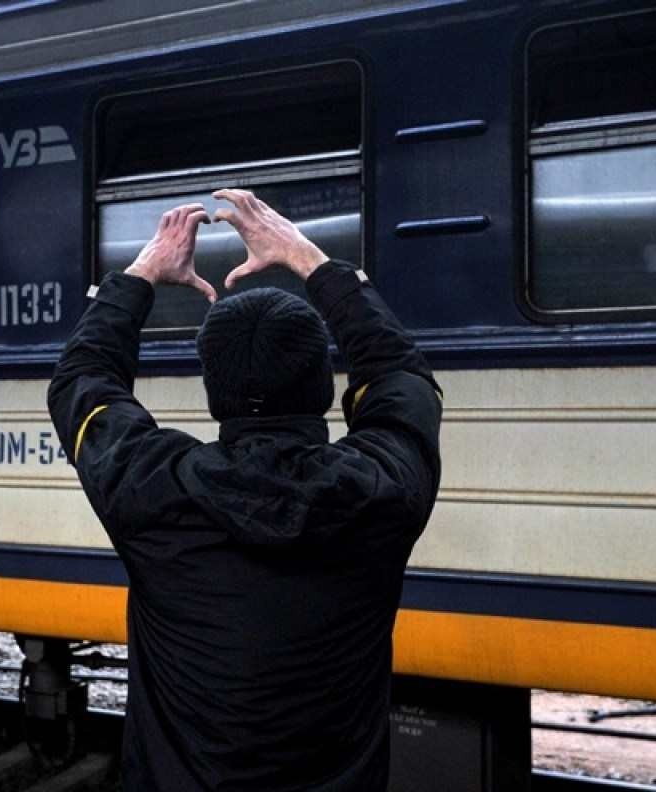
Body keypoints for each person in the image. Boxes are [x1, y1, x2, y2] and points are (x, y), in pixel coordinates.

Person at [47, 190, 442, 791]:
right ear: (320, 385)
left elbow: (82, 379)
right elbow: (400, 376)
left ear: (213, 392)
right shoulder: (380, 491)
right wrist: (310, 260)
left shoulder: (154, 492)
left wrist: (143, 275)